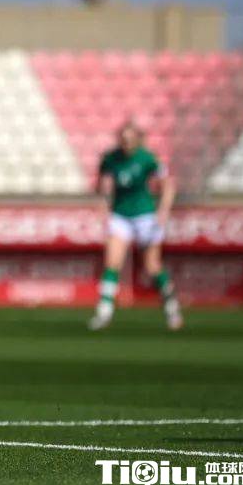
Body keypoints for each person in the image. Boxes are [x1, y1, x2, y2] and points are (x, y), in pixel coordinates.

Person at [89, 121, 182, 331]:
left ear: (137, 140)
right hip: (120, 215)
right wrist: (103, 205)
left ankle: (171, 306)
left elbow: (168, 185)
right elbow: (101, 185)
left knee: (152, 266)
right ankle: (104, 312)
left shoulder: (147, 158)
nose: (126, 143)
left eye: (130, 139)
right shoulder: (110, 159)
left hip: (145, 216)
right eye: (123, 139)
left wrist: (163, 210)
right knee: (112, 262)